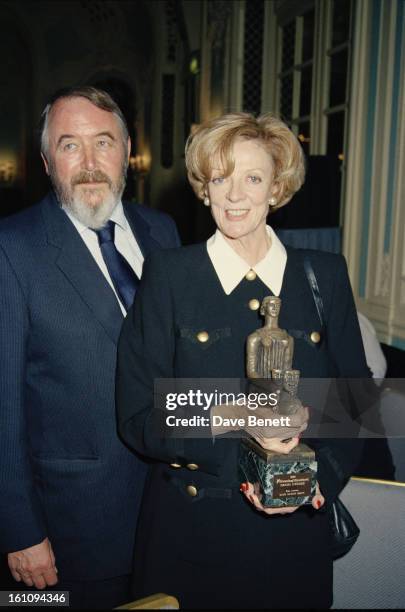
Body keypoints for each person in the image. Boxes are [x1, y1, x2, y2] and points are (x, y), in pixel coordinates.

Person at [116, 112, 369, 609]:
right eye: (220, 177)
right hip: (194, 542)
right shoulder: (170, 275)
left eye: (252, 177)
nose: (234, 195)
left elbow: (356, 401)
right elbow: (138, 414)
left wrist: (317, 477)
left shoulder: (324, 275)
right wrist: (241, 440)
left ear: (277, 187)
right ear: (203, 187)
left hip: (298, 540)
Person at [0, 86, 180, 609]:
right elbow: (2, 407)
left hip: (169, 512)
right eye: (69, 145)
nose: (89, 163)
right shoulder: (12, 248)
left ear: (127, 150)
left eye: (103, 142)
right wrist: (19, 531)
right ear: (45, 160)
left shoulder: (162, 231)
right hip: (70, 530)